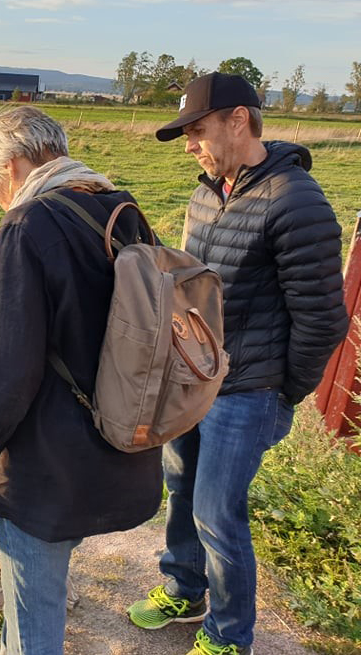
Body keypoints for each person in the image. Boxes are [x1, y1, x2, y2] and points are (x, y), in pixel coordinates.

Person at [127, 72, 348, 655]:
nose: (189, 144)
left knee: (218, 515)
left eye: (197, 130)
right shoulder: (208, 192)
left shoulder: (296, 200)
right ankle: (183, 588)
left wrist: (283, 393)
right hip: (196, 381)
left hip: (249, 389)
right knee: (181, 488)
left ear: (239, 120)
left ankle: (228, 636)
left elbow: (325, 318)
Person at [0, 105, 164, 655]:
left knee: (34, 609)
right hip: (117, 438)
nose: (0, 203)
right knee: (34, 594)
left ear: (13, 165)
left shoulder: (28, 222)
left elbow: (9, 361)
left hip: (48, 461)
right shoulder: (121, 207)